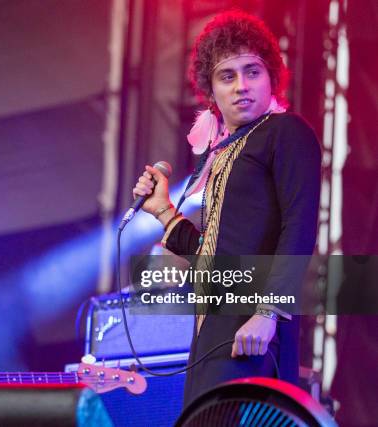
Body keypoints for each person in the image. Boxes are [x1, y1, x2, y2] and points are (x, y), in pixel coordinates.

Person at [132, 11, 321, 405]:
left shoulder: (285, 132)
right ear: (211, 89)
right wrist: (164, 211)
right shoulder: (224, 152)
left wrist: (268, 313)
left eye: (252, 71)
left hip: (252, 328)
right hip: (211, 330)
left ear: (271, 76)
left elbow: (299, 226)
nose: (241, 87)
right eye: (227, 76)